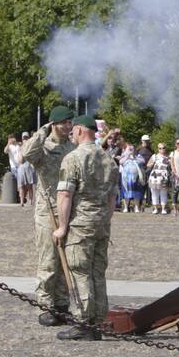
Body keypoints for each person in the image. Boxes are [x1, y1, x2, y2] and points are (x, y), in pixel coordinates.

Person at [52, 115, 120, 341]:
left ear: (80, 131)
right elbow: (112, 199)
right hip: (101, 225)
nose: (71, 134)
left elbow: (64, 194)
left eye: (73, 131)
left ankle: (82, 323)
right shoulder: (109, 160)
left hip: (80, 224)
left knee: (80, 271)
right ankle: (99, 321)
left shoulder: (73, 158)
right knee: (97, 273)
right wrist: (105, 221)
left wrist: (62, 227)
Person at [21, 105, 77, 326]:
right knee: (49, 260)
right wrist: (42, 132)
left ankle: (62, 305)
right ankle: (45, 306)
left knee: (66, 259)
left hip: (67, 209)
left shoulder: (72, 148)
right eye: (64, 122)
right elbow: (26, 155)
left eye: (70, 122)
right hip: (47, 211)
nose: (68, 126)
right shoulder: (43, 147)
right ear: (54, 124)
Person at [146, 142, 171, 214]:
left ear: (165, 148)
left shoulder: (168, 157)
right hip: (154, 177)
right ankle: (155, 209)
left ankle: (163, 209)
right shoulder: (154, 156)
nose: (162, 149)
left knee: (163, 193)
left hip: (164, 177)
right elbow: (148, 165)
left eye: (163, 148)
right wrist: (151, 164)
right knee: (154, 193)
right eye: (160, 148)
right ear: (158, 149)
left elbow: (171, 167)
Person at [119, 142, 145, 213]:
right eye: (129, 149)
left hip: (136, 178)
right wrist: (127, 156)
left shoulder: (138, 156)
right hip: (126, 178)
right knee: (126, 192)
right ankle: (126, 207)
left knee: (137, 192)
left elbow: (143, 161)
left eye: (132, 149)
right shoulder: (124, 156)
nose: (131, 150)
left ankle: (136, 207)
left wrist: (134, 157)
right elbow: (121, 162)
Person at [17, 132, 36, 206]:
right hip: (21, 168)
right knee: (21, 186)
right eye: (24, 138)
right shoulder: (20, 148)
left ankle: (30, 201)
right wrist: (22, 150)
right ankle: (21, 201)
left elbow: (32, 158)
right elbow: (20, 160)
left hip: (29, 167)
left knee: (29, 186)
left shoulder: (31, 147)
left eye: (26, 138)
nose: (25, 140)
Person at [4, 134, 21, 202]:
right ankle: (18, 196)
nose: (12, 139)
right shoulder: (9, 146)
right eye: (10, 138)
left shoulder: (18, 145)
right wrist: (8, 143)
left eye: (13, 138)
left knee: (20, 181)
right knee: (17, 180)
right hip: (14, 166)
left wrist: (17, 143)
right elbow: (5, 151)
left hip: (20, 165)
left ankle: (20, 196)